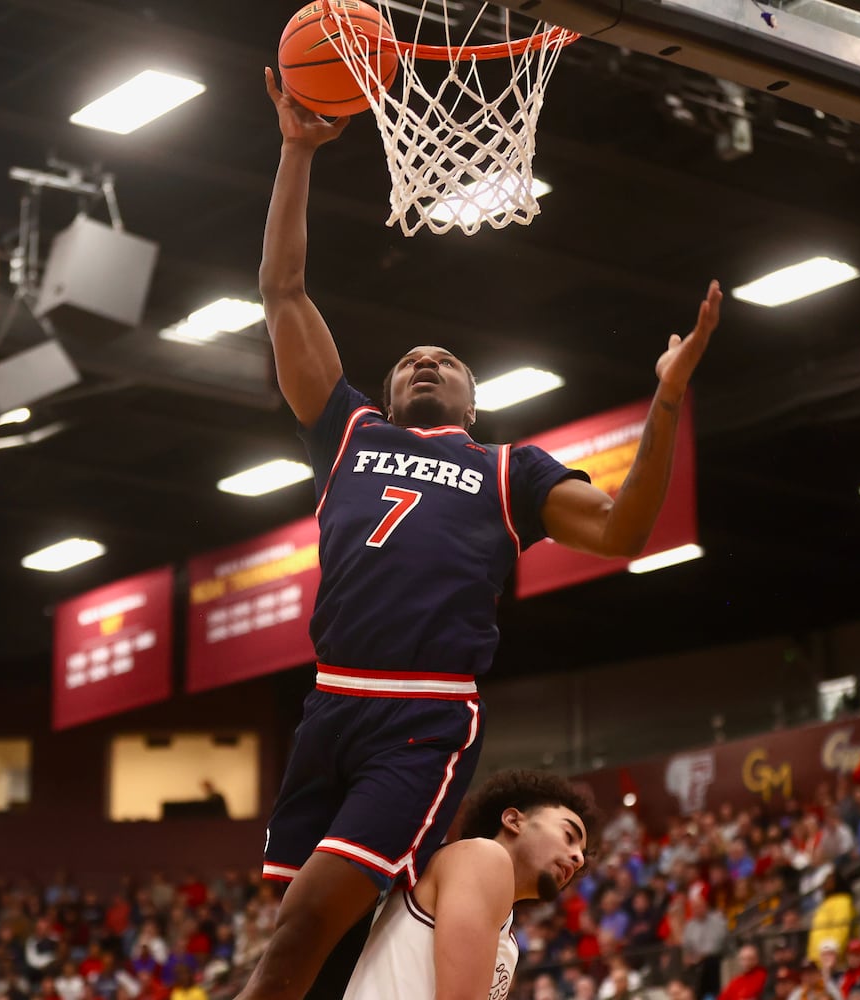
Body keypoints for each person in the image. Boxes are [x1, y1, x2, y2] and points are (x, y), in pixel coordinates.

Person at [246, 67, 721, 1000]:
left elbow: (625, 528)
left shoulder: (511, 468)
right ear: (389, 393)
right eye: (411, 359)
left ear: (470, 399)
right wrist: (297, 153)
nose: (426, 359)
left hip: (419, 716)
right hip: (330, 702)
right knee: (309, 946)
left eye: (447, 360)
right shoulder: (347, 431)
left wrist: (667, 399)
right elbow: (283, 292)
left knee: (303, 927)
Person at [339, 769, 596, 1000]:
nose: (578, 857)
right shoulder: (482, 856)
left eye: (582, 854)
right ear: (513, 820)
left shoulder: (509, 938)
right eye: (568, 836)